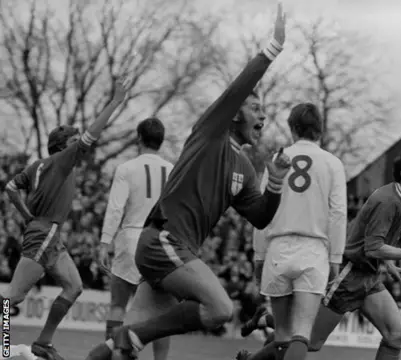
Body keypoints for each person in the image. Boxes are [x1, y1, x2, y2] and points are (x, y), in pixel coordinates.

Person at [85, 4, 289, 360]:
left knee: (115, 350)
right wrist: (271, 50)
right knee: (220, 309)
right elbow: (237, 90)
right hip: (162, 242)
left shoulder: (245, 165)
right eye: (257, 109)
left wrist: (277, 183)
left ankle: (118, 341)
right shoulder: (210, 133)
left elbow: (260, 217)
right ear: (236, 113)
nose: (264, 116)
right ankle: (132, 336)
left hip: (170, 250)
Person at [239, 148, 401, 360]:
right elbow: (372, 247)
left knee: (396, 334)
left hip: (368, 277)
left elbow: (372, 241)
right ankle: (255, 349)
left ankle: (267, 322)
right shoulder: (389, 201)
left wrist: (388, 264)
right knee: (310, 342)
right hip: (348, 276)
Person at [2, 81, 127, 360]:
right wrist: (116, 101)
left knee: (74, 286)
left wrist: (26, 217)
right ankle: (6, 345)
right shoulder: (62, 160)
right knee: (12, 298)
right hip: (45, 234)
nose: (79, 146)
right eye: (74, 142)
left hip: (47, 234)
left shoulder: (37, 166)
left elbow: (10, 187)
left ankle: (42, 343)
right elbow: (91, 136)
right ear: (62, 147)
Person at [249, 103, 348, 360]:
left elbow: (262, 210)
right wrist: (336, 258)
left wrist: (259, 254)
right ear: (320, 130)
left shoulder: (276, 159)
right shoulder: (332, 163)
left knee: (281, 334)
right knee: (301, 333)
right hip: (313, 249)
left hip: (278, 246)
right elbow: (338, 214)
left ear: (292, 128)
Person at [98, 117, 173, 360]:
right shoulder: (173, 171)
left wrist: (104, 242)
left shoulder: (126, 168)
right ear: (161, 141)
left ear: (139, 138)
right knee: (161, 312)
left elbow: (115, 208)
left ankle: (112, 355)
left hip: (131, 239)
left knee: (119, 305)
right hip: (161, 242)